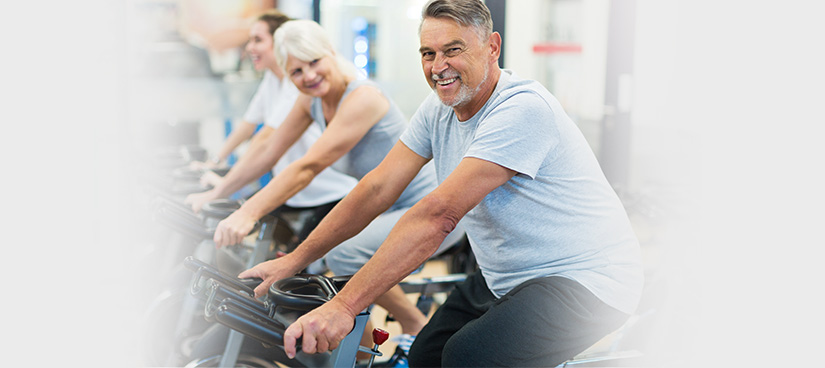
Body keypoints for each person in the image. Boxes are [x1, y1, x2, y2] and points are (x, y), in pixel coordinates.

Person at [237, 0, 644, 366]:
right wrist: (292, 261)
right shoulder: (439, 108)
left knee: (467, 358)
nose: (437, 66)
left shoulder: (521, 110)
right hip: (507, 275)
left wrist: (343, 306)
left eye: (453, 50)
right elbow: (378, 187)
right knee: (427, 357)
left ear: (492, 47)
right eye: (428, 54)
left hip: (588, 281)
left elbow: (439, 214)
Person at [187, 18, 462, 344]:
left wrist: (248, 213)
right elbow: (269, 151)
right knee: (316, 269)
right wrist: (215, 194)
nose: (309, 76)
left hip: (428, 207)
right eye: (297, 72)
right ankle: (361, 352)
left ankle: (413, 324)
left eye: (315, 62)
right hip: (385, 207)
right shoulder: (312, 100)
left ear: (331, 52)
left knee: (344, 254)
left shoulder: (363, 98)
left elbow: (308, 166)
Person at [186, 10, 359, 245]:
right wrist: (216, 163)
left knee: (305, 260)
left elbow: (267, 143)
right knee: (262, 237)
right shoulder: (274, 80)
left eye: (258, 40)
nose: (249, 48)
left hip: (328, 191)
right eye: (250, 40)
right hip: (294, 190)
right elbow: (248, 127)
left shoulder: (299, 86)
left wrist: (223, 187)